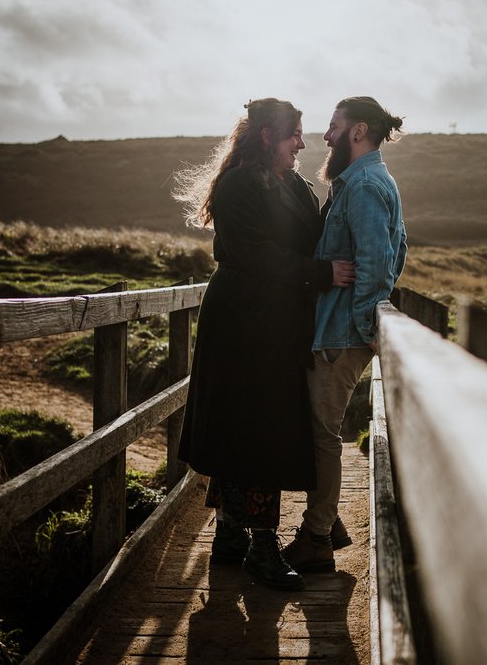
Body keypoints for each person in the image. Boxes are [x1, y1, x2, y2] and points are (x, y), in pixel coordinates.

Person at [173, 98, 355, 591]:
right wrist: (319, 274)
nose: (302, 143)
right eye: (294, 134)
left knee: (255, 425)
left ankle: (231, 537)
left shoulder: (294, 185)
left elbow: (311, 238)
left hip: (276, 325)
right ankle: (261, 547)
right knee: (252, 427)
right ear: (266, 138)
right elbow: (258, 255)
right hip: (240, 324)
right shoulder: (236, 187)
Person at [283, 96, 407, 572]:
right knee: (320, 429)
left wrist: (357, 332)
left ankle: (316, 538)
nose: (326, 135)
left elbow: (378, 265)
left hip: (339, 334)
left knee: (322, 434)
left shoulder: (364, 185)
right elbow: (402, 248)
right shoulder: (367, 180)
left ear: (358, 131)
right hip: (338, 330)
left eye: (333, 126)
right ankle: (328, 519)